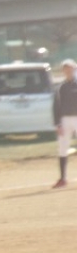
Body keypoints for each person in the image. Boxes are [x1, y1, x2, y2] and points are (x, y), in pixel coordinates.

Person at [52, 58, 77, 188]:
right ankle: (63, 178)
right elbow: (56, 106)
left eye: (70, 68)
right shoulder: (61, 87)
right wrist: (57, 124)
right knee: (62, 148)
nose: (68, 71)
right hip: (65, 119)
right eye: (65, 69)